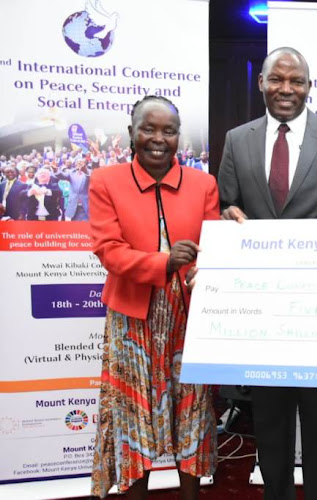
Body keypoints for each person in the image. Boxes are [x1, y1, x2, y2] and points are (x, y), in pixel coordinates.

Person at [216, 46, 317, 500]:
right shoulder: (238, 139)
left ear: (308, 85)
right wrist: (230, 216)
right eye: (277, 80)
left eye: (296, 81)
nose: (287, 89)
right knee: (270, 422)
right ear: (261, 83)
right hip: (264, 310)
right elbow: (226, 206)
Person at [88, 95, 218, 499]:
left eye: (169, 131)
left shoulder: (203, 184)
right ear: (132, 133)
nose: (158, 138)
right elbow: (108, 249)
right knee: (133, 418)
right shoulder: (105, 181)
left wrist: (205, 269)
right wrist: (163, 262)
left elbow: (213, 248)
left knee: (192, 414)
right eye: (149, 128)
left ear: (180, 137)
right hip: (132, 320)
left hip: (188, 318)